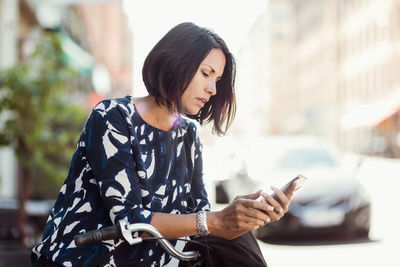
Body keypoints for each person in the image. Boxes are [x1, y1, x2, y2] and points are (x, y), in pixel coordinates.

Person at [31, 22, 296, 267]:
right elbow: (129, 219)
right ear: (175, 63)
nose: (213, 89)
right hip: (81, 259)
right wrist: (216, 220)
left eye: (217, 80)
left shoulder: (188, 134)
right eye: (206, 74)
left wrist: (246, 217)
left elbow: (197, 220)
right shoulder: (113, 117)